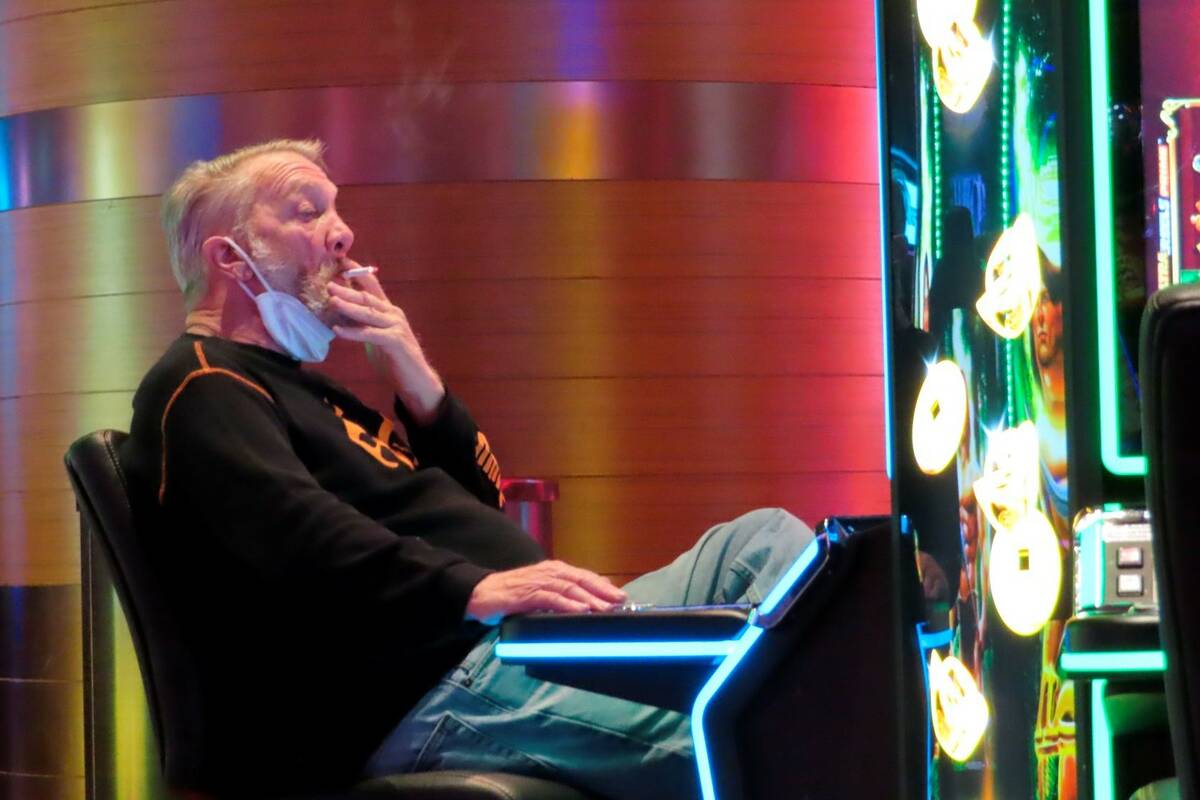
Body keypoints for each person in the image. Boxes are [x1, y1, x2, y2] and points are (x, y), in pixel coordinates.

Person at [122, 139, 813, 799]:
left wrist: (415, 375)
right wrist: (474, 587)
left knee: (762, 542)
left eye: (336, 210)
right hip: (424, 685)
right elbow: (297, 537)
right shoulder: (201, 385)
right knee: (748, 742)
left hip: (503, 644)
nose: (343, 234)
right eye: (308, 213)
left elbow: (477, 507)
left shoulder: (304, 388)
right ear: (232, 260)